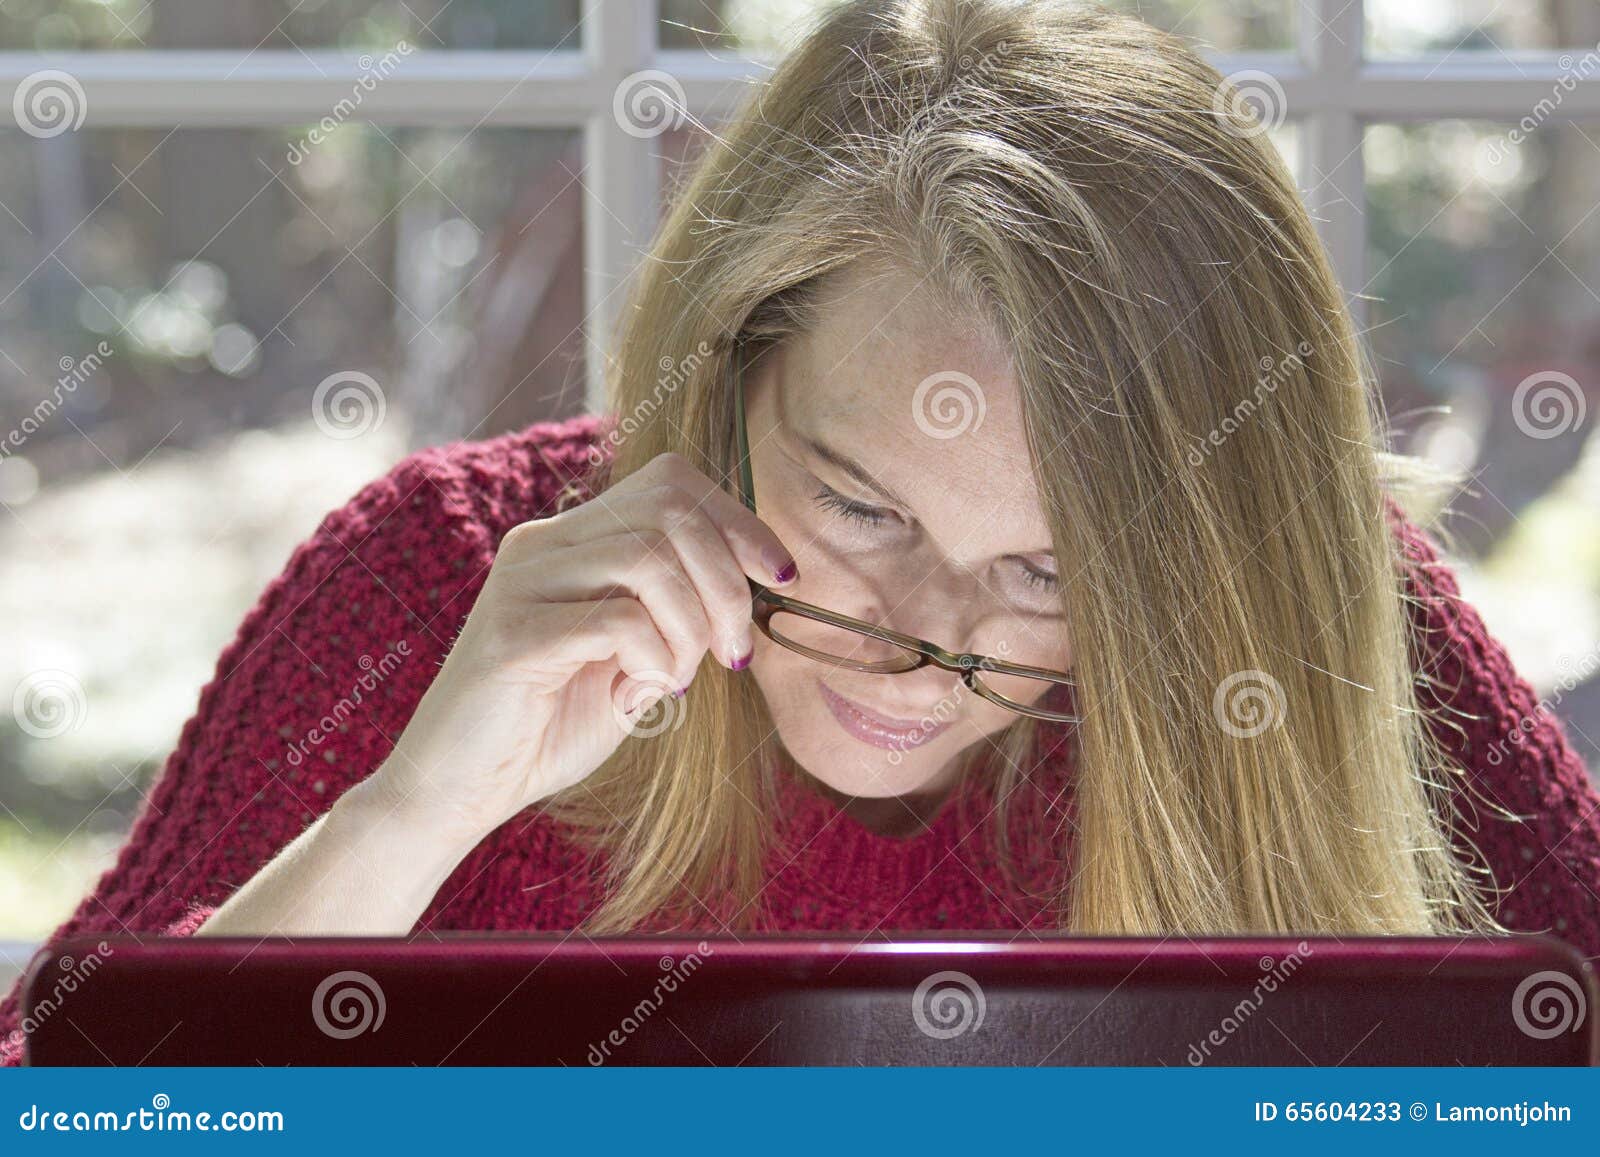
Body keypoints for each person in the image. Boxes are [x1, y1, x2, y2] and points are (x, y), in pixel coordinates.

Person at [5, 0, 1598, 1064]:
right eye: (860, 504)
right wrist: (414, 810)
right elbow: (63, 1108)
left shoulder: (1309, 612)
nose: (928, 644)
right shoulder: (444, 576)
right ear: (728, 374)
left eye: (1052, 573)